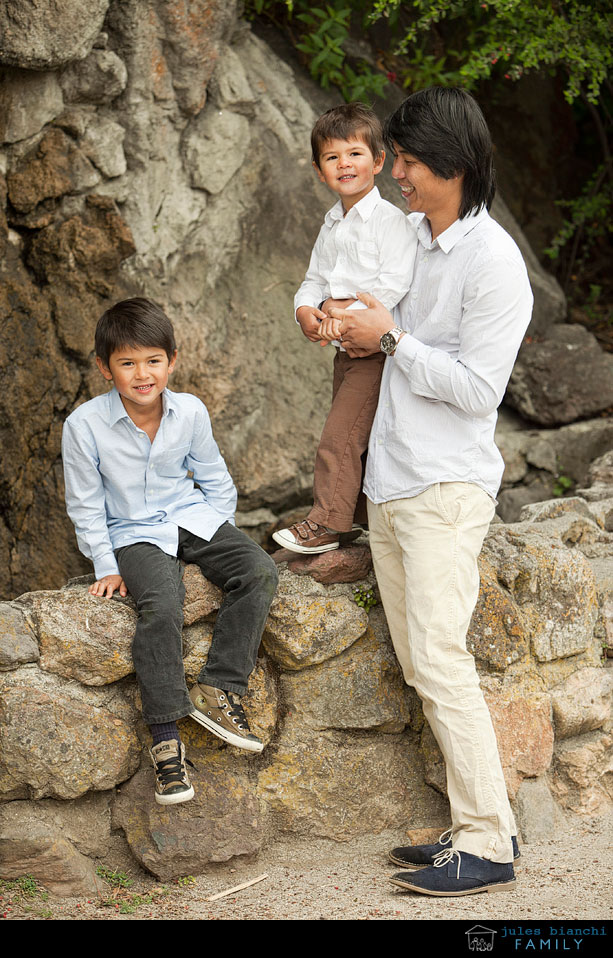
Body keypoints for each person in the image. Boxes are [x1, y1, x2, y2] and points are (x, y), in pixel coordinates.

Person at [328, 88, 533, 897]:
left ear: (450, 167)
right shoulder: (407, 235)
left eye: (407, 163)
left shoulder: (495, 263)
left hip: (446, 488)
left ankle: (487, 844)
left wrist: (395, 339)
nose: (396, 175)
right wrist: (340, 318)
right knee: (421, 665)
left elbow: (480, 390)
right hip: (391, 481)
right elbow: (369, 314)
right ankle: (470, 828)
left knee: (441, 661)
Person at [61, 298, 278, 806]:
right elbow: (86, 504)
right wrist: (107, 565)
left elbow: (216, 479)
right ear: (104, 367)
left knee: (259, 571)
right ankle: (166, 741)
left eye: (153, 360)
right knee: (162, 604)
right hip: (132, 531)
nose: (143, 374)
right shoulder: (84, 426)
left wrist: (216, 539)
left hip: (191, 517)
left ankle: (221, 686)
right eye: (127, 363)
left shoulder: (191, 412)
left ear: (172, 361)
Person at [273, 103, 417, 555]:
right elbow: (313, 281)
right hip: (343, 352)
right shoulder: (332, 223)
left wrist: (339, 310)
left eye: (354, 154)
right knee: (357, 436)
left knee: (339, 437)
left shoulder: (392, 223)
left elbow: (393, 287)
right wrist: (306, 312)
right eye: (332, 158)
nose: (344, 165)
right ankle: (354, 518)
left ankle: (326, 523)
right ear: (319, 171)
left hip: (376, 353)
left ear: (377, 162)